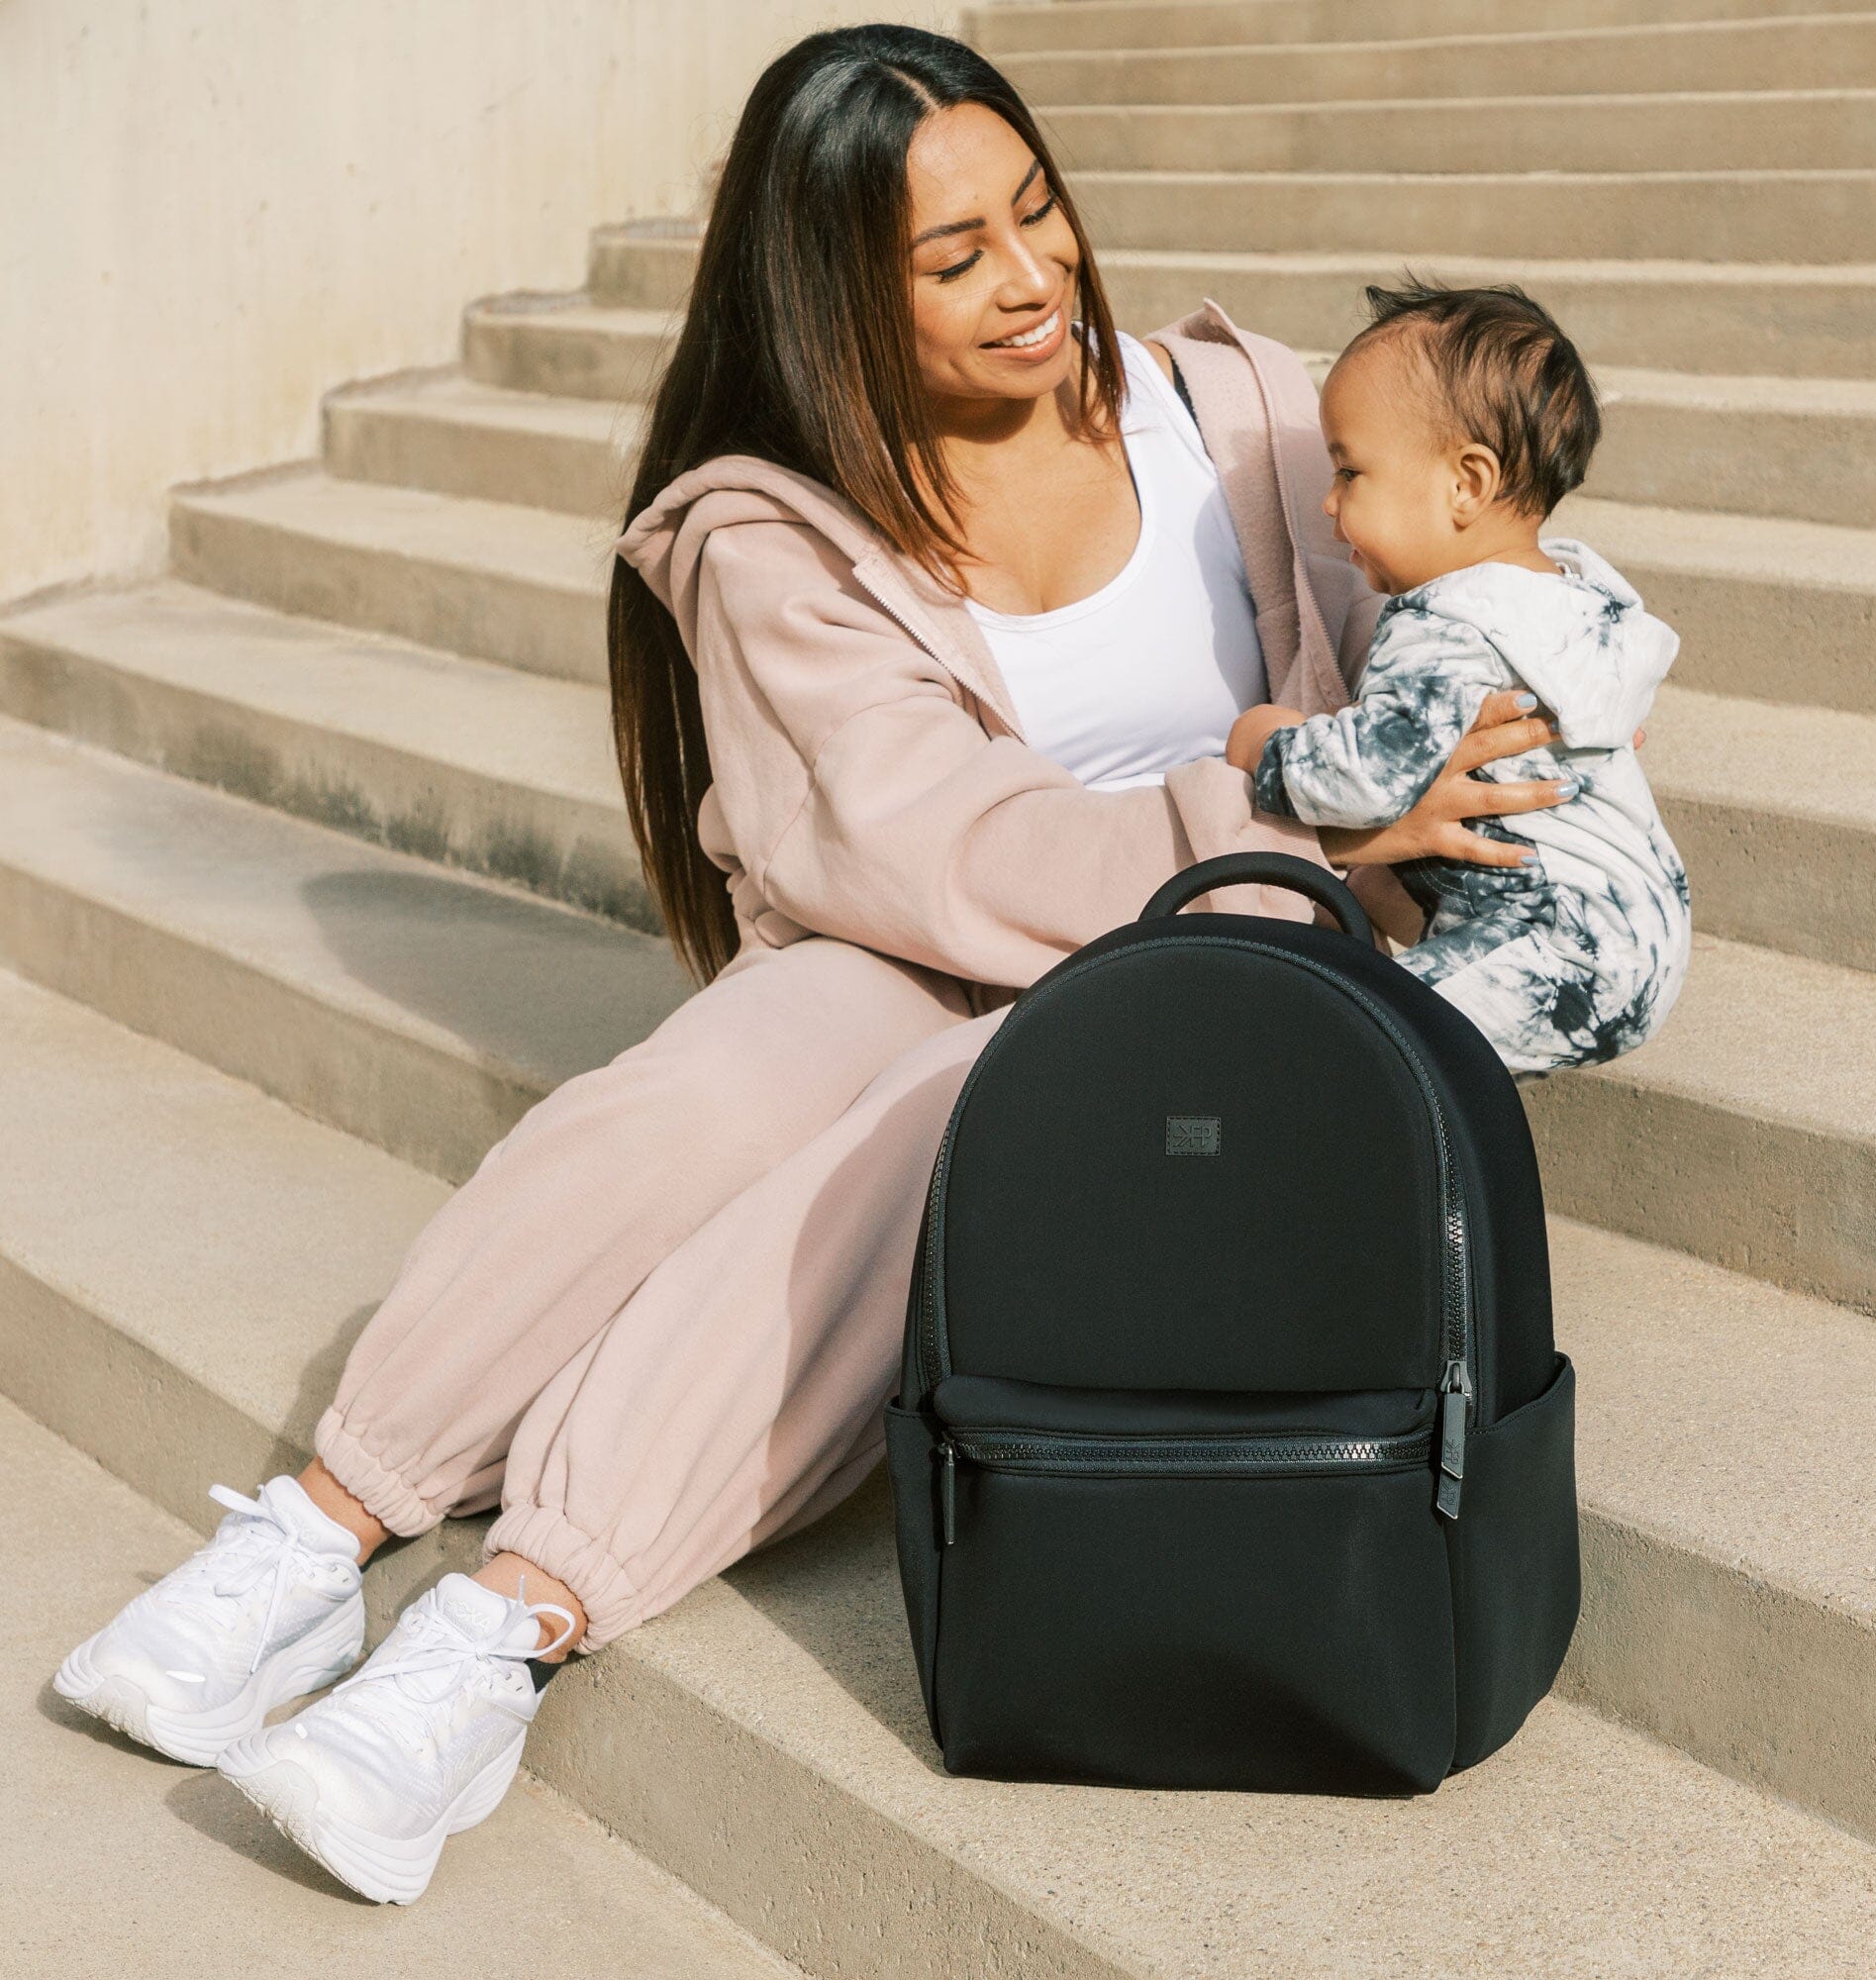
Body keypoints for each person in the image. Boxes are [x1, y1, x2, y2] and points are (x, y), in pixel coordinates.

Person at [49, 24, 1632, 1905]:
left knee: (937, 1130)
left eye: (1036, 212)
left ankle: (507, 1621)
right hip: (933, 929)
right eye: (955, 258)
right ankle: (325, 1528)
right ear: (833, 294)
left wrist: (1435, 795)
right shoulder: (771, 527)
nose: (1033, 277)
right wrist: (1290, 802)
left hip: (1209, 959)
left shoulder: (1254, 418)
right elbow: (927, 846)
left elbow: (1485, 606)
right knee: (694, 1097)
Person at [1225, 280, 1690, 1078]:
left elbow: (1370, 778)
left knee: (1342, 1048)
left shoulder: (1443, 623)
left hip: (1541, 945)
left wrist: (1264, 743)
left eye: (1349, 472)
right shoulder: (1577, 599)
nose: (1328, 504)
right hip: (1642, 930)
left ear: (1466, 485)